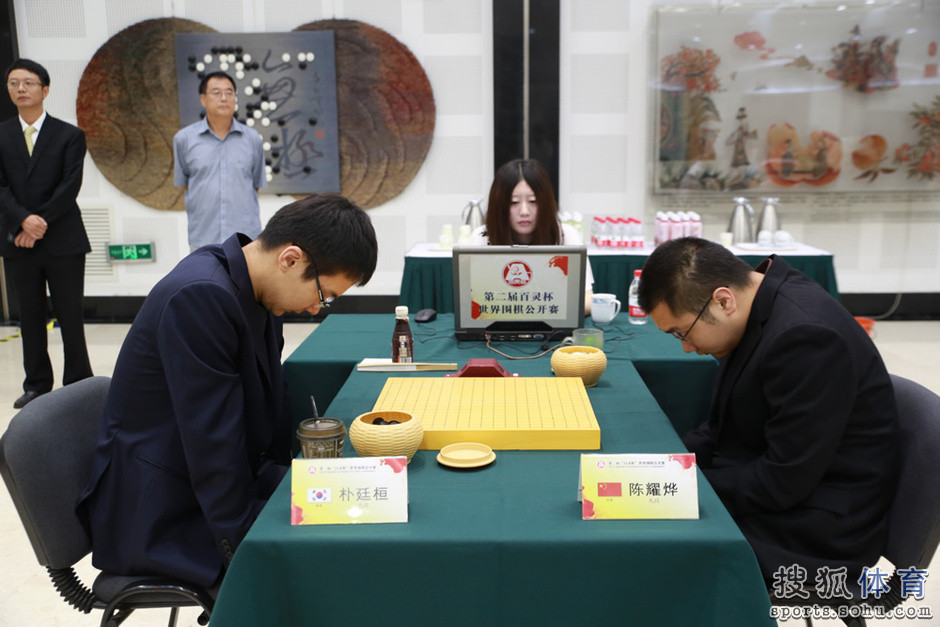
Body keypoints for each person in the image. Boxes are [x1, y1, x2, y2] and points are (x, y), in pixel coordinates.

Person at [77, 194, 378, 593]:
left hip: (214, 482)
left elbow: (266, 405)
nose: (314, 309)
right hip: (162, 513)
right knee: (332, 561)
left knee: (358, 510)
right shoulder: (201, 295)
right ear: (290, 259)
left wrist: (296, 480)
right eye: (325, 296)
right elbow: (212, 444)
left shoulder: (254, 288)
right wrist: (245, 549)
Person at [637, 237, 898, 586]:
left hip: (820, 525)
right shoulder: (758, 302)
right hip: (784, 486)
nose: (686, 347)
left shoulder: (804, 337)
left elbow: (783, 480)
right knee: (642, 514)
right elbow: (720, 428)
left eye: (682, 332)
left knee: (653, 546)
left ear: (723, 300)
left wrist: (680, 486)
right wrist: (660, 466)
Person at [0, 58, 93, 409]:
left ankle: (79, 383)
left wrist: (38, 223)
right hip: (19, 240)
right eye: (13, 83)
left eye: (28, 82)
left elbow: (70, 186)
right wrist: (24, 221)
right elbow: (1, 187)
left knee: (70, 315)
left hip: (63, 239)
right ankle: (37, 385)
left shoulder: (70, 135)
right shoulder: (1, 135)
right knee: (30, 316)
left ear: (45, 89)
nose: (20, 89)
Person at [469, 158, 594, 313]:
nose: (524, 211)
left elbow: (587, 300)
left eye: (533, 201)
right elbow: (470, 301)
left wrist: (536, 310)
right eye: (514, 202)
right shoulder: (482, 237)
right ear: (499, 205)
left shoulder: (565, 235)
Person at [174, 71, 265, 250]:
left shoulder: (253, 139)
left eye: (229, 92)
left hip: (246, 238)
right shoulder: (184, 139)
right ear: (203, 99)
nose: (224, 98)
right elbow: (186, 184)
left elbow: (255, 185)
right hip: (203, 237)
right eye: (216, 92)